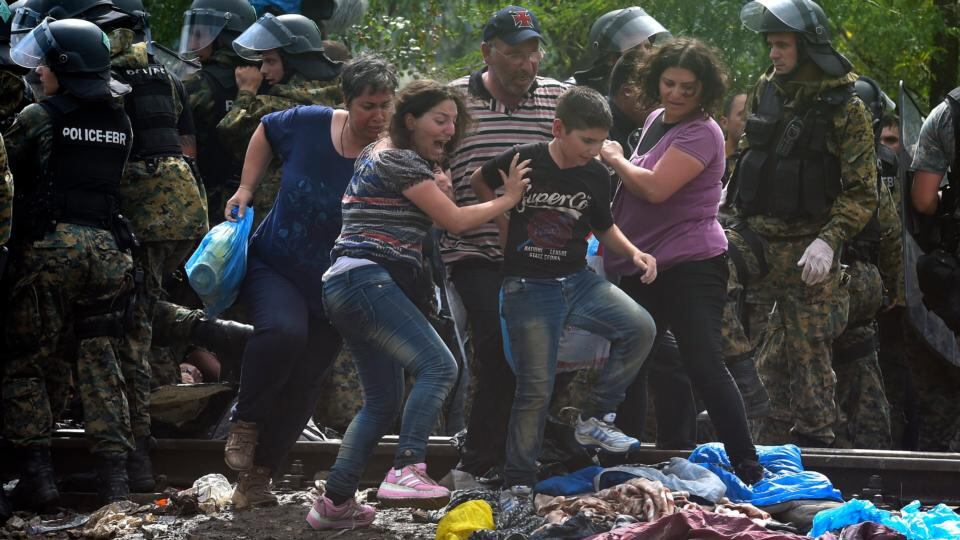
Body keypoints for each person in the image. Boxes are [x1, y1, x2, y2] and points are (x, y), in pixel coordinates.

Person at [309, 80, 529, 529]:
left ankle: (333, 504)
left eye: (453, 122)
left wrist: (440, 187)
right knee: (440, 367)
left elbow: (434, 222)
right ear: (410, 120)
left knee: (381, 402)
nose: (448, 130)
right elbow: (455, 222)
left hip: (348, 284)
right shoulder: (399, 159)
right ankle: (407, 468)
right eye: (439, 119)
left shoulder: (383, 155)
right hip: (365, 280)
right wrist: (507, 199)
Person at [220, 55, 398, 510]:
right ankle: (246, 421)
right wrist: (245, 189)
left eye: (385, 105)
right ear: (346, 102)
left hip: (337, 283)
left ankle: (258, 480)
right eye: (367, 105)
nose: (377, 116)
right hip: (278, 262)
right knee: (283, 332)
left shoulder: (393, 155)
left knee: (307, 379)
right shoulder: (310, 123)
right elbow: (264, 130)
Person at [473, 86, 658, 506]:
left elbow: (605, 227)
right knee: (534, 388)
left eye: (599, 142)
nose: (593, 152)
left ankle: (594, 417)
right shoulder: (524, 158)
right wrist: (503, 212)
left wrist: (635, 253)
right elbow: (477, 181)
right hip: (529, 285)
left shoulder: (595, 173)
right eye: (586, 141)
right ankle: (518, 482)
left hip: (576, 279)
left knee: (640, 327)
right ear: (559, 129)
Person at [600, 37, 763, 482]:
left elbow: (654, 187)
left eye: (687, 87)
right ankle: (621, 461)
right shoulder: (656, 118)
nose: (676, 94)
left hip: (691, 265)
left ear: (704, 90)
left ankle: (747, 463)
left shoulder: (702, 132)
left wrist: (614, 157)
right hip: (643, 265)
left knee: (703, 360)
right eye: (669, 83)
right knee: (633, 359)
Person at [727, 0, 877, 447]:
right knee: (713, 288)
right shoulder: (765, 89)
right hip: (757, 238)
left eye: (782, 45)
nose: (773, 54)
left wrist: (829, 241)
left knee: (808, 355)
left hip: (812, 248)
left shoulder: (846, 109)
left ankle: (818, 446)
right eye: (770, 44)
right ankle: (748, 421)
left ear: (807, 47)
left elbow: (862, 190)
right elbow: (749, 159)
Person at [3, 17, 135, 508]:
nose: (37, 69)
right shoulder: (122, 120)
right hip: (107, 252)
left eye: (44, 62)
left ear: (63, 66)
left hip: (52, 249)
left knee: (27, 363)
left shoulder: (40, 116)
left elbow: (9, 173)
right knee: (101, 362)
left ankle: (38, 481)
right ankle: (116, 480)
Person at [438, 4, 566, 483]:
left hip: (541, 252)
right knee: (496, 341)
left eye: (533, 52)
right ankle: (477, 461)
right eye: (514, 53)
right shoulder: (453, 100)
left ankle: (520, 456)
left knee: (541, 352)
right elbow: (425, 157)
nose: (525, 64)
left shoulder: (559, 99)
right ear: (487, 52)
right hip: (473, 248)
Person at [217, 12, 343, 229]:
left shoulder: (276, 106)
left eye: (271, 61)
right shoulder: (341, 94)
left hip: (280, 215)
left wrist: (247, 92)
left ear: (294, 61)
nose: (263, 70)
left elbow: (230, 132)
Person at [179, 0, 257, 225]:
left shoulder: (195, 85)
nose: (193, 42)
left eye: (200, 35)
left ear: (224, 37)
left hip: (203, 205)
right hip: (254, 208)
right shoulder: (268, 79)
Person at [573, 6, 670, 95]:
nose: (645, 53)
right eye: (634, 47)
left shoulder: (660, 94)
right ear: (610, 58)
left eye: (648, 47)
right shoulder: (579, 97)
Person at [720, 91, 748, 181]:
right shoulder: (708, 159)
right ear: (725, 122)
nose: (750, 119)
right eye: (743, 115)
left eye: (753, 114)